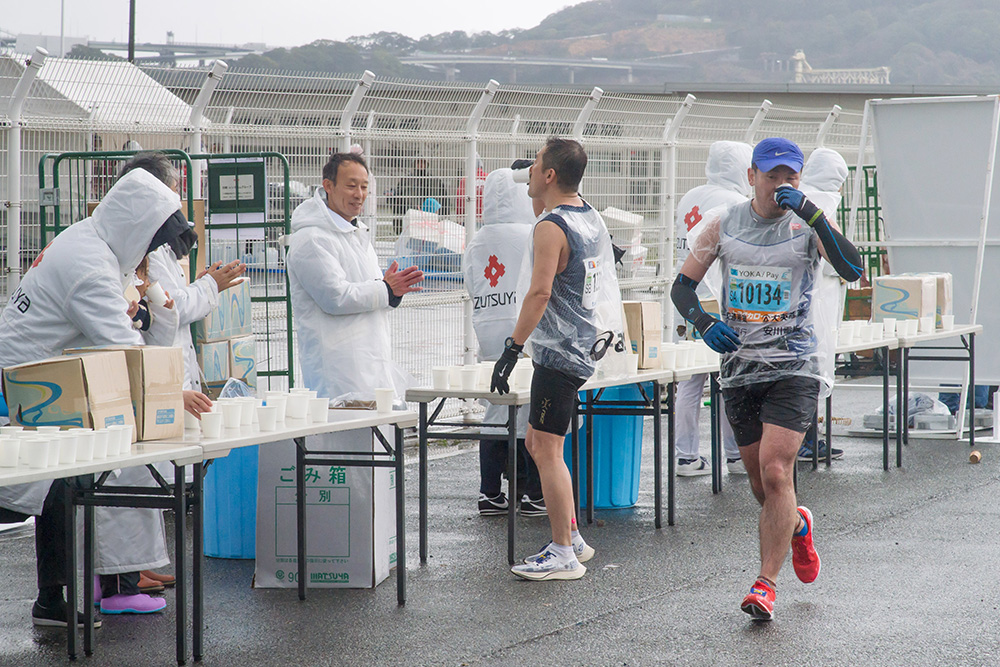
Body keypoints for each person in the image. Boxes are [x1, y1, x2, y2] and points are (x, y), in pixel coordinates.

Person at [671, 137, 864, 620]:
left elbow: (852, 269)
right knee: (762, 487)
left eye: (789, 177)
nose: (780, 184)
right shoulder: (724, 223)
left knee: (778, 471)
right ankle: (796, 524)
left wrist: (814, 215)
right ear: (752, 176)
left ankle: (765, 586)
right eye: (772, 175)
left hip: (796, 365)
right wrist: (704, 322)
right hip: (740, 368)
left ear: (799, 179)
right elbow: (682, 286)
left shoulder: (809, 223)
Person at [0, 168, 198, 625]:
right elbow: (125, 349)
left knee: (62, 479)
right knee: (57, 479)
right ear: (135, 228)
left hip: (41, 377)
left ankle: (56, 598)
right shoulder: (90, 265)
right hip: (29, 383)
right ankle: (58, 598)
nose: (149, 252)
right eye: (150, 240)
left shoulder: (90, 242)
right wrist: (175, 393)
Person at [492, 137, 622, 581]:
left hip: (561, 353)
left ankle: (564, 551)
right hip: (580, 343)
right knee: (537, 442)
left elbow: (540, 292)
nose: (529, 170)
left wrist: (512, 348)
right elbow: (547, 209)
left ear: (550, 175)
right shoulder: (586, 214)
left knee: (547, 448)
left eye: (536, 164)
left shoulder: (550, 228)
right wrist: (535, 185)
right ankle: (573, 536)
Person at [286, 152, 424, 402]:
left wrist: (391, 292)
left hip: (369, 362)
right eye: (351, 186)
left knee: (377, 423)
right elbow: (335, 297)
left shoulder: (355, 232)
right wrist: (386, 290)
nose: (359, 194)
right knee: (345, 425)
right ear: (328, 186)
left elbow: (371, 293)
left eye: (364, 186)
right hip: (338, 371)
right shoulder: (312, 239)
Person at [464, 166, 544, 517]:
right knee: (530, 408)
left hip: (487, 326)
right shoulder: (531, 233)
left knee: (496, 406)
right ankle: (533, 493)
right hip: (523, 328)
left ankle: (490, 492)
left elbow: (472, 283)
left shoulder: (477, 240)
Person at [672, 141, 751, 476]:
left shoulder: (690, 196)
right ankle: (735, 455)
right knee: (728, 378)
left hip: (687, 298)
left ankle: (686, 456)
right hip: (719, 300)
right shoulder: (735, 203)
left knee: (690, 381)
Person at [798, 147, 851, 461]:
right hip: (816, 311)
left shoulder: (796, 201)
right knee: (809, 377)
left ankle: (803, 440)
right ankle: (805, 442)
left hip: (792, 309)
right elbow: (840, 263)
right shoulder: (823, 206)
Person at [391, 158, 449, 234]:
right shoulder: (405, 181)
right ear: (414, 164)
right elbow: (398, 202)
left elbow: (443, 201)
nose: (421, 165)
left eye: (423, 163)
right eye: (418, 162)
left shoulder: (435, 181)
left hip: (430, 219)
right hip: (412, 217)